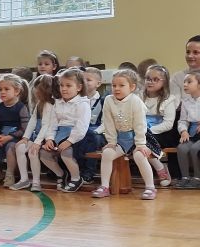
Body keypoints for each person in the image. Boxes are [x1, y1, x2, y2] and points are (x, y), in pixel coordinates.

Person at [91, 69, 164, 200]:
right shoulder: (108, 100)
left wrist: (140, 144)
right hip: (120, 139)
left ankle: (150, 187)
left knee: (140, 156)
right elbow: (108, 122)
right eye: (114, 85)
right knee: (107, 153)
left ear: (132, 87)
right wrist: (111, 142)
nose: (116, 88)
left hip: (139, 137)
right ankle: (104, 186)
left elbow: (140, 124)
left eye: (121, 85)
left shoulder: (135, 101)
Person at [40, 68, 90, 192]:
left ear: (79, 87)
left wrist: (69, 141)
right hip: (59, 134)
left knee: (66, 152)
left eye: (68, 85)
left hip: (76, 137)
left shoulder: (82, 104)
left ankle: (76, 178)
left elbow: (81, 127)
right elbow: (52, 124)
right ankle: (61, 174)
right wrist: (49, 139)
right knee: (44, 153)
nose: (64, 88)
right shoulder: (57, 103)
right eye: (61, 85)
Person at [11, 74, 56, 192]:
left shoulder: (50, 105)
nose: (35, 91)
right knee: (20, 148)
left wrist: (37, 142)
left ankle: (36, 182)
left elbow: (46, 125)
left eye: (37, 88)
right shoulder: (39, 104)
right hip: (36, 137)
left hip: (45, 138)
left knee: (32, 152)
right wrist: (25, 138)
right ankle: (24, 179)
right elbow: (32, 121)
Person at [143, 64, 178, 183]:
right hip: (142, 131)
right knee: (134, 140)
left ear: (164, 82)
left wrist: (149, 131)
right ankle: (159, 167)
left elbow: (168, 124)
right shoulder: (139, 97)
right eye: (148, 78)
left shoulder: (168, 100)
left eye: (155, 79)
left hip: (162, 133)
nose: (150, 82)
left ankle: (161, 170)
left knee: (144, 142)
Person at [76, 67, 106, 183]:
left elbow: (105, 123)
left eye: (88, 80)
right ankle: (75, 170)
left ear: (98, 83)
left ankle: (89, 171)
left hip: (97, 131)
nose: (85, 82)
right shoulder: (77, 100)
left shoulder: (104, 101)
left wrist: (94, 131)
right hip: (80, 129)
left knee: (92, 138)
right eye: (83, 79)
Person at [174, 71, 200, 188]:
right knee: (182, 148)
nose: (185, 84)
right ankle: (185, 177)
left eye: (189, 82)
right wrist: (183, 131)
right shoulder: (185, 102)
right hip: (193, 133)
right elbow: (183, 120)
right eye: (184, 82)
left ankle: (197, 178)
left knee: (195, 149)